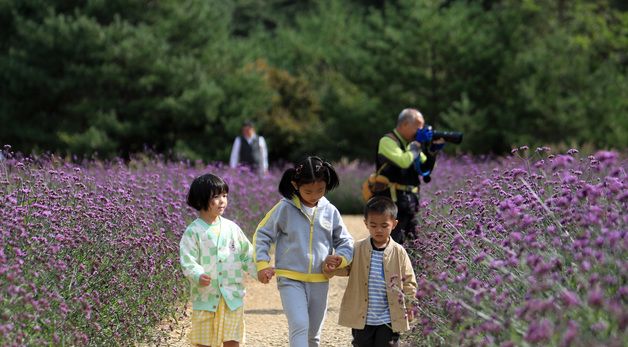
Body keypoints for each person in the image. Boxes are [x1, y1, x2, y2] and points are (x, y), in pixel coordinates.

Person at [253, 155, 354, 347]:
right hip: (290, 278)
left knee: (313, 335)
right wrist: (262, 263)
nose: (315, 195)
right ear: (295, 185)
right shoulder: (284, 208)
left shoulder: (330, 211)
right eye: (308, 191)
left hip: (320, 280)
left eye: (321, 190)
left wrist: (340, 259)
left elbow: (345, 241)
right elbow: (262, 234)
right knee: (299, 325)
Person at [325, 196, 417, 347]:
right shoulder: (358, 248)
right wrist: (332, 267)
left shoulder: (399, 252)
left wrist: (411, 303)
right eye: (373, 225)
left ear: (394, 224)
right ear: (366, 223)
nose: (378, 230)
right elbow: (345, 269)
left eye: (384, 225)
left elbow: (409, 281)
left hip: (389, 318)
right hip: (363, 318)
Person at [179, 173, 257, 347]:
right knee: (203, 342)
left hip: (232, 296)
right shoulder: (194, 232)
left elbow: (247, 254)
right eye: (216, 197)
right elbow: (188, 259)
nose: (222, 201)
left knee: (232, 340)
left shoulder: (232, 228)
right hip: (206, 297)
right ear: (200, 200)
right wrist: (198, 274)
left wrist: (260, 271)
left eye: (225, 196)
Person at [373, 108, 444, 244]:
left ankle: (413, 266)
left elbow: (426, 169)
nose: (421, 131)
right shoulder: (387, 141)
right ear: (405, 124)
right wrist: (417, 146)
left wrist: (432, 152)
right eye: (418, 127)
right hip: (391, 204)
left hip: (410, 201)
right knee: (393, 242)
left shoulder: (410, 145)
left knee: (414, 244)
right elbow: (403, 162)